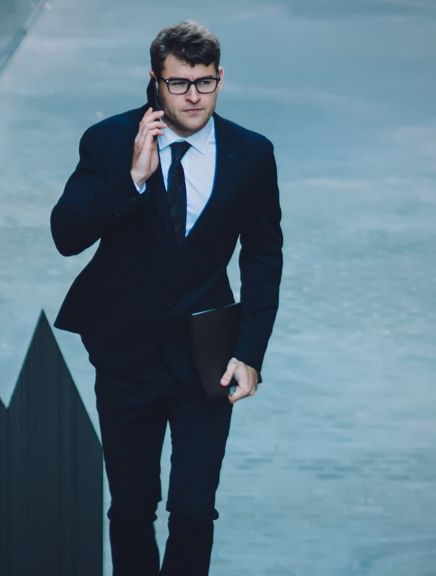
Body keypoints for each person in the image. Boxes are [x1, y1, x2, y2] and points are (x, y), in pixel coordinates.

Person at [49, 21, 283, 576]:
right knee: (132, 509)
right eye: (179, 84)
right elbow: (65, 236)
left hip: (207, 358)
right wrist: (131, 180)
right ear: (155, 81)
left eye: (205, 82)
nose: (194, 96)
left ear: (220, 78)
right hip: (127, 357)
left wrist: (250, 353)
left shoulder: (251, 154)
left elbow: (263, 257)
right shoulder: (109, 141)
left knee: (195, 509)